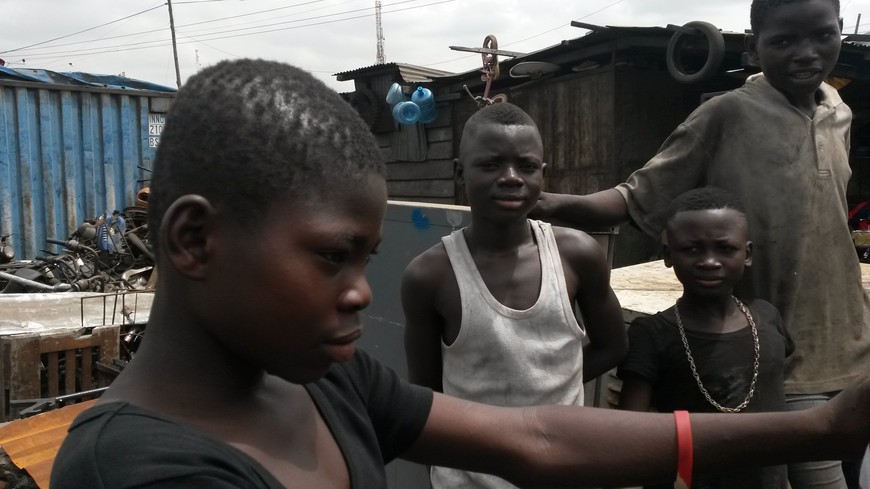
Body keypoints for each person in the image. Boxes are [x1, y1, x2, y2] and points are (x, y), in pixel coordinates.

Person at [49, 59, 870, 489]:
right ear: (194, 240)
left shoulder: (323, 382)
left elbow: (536, 436)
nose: (360, 290)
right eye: (332, 256)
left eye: (365, 258)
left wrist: (822, 430)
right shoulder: (143, 468)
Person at [532, 1, 870, 487]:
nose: (806, 52)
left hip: (853, 345)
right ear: (753, 48)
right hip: (780, 355)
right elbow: (634, 196)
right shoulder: (726, 114)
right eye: (784, 40)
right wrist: (545, 202)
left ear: (840, 31)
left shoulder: (839, 111)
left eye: (822, 35)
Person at [402, 103, 627, 488]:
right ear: (460, 172)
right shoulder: (430, 275)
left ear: (543, 174)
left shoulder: (577, 255)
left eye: (526, 166)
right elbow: (426, 392)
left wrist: (548, 391)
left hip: (562, 473)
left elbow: (613, 346)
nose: (510, 178)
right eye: (490, 165)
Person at [618, 187, 794, 489]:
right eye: (692, 249)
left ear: (747, 254)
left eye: (725, 249)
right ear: (668, 255)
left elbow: (778, 393)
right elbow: (629, 435)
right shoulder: (651, 334)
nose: (709, 261)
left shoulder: (767, 318)